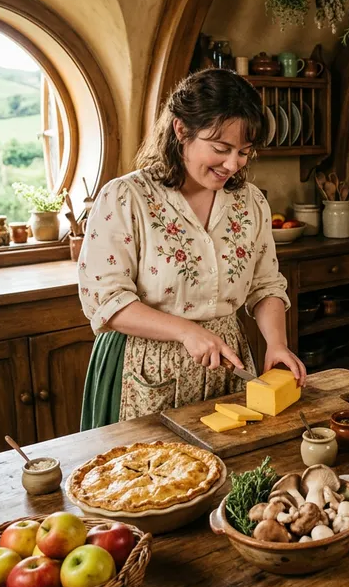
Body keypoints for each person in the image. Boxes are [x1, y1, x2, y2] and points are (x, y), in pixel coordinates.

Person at [78, 68, 305, 427]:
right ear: (181, 130)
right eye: (221, 148)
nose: (232, 164)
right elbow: (106, 301)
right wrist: (186, 331)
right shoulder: (126, 197)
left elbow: (266, 285)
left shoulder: (251, 202)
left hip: (228, 367)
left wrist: (277, 343)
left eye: (244, 152)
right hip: (144, 369)